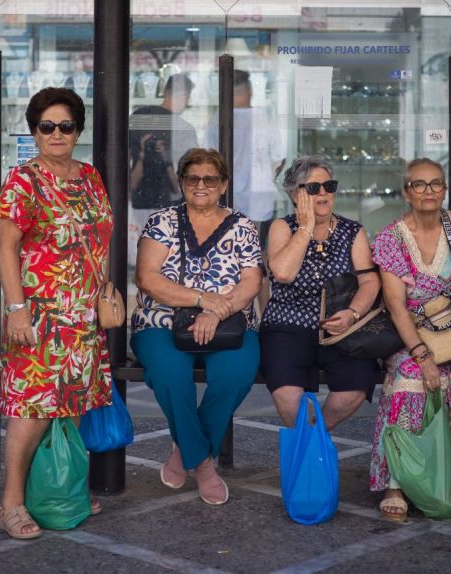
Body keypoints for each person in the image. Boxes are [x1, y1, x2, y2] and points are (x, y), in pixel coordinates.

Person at [0, 87, 113, 539]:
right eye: (47, 126)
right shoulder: (21, 182)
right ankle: (11, 503)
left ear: (78, 130)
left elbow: (99, 239)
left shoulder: (90, 176)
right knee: (32, 409)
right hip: (39, 314)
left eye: (66, 126)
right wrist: (17, 309)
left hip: (82, 314)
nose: (57, 133)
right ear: (34, 131)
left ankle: (59, 489)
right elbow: (5, 248)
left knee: (72, 405)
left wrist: (101, 293)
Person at [368, 158, 451, 524]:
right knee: (407, 384)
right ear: (406, 192)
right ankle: (396, 481)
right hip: (413, 338)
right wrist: (423, 357)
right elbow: (395, 305)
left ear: (444, 189)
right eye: (419, 184)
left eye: (435, 184)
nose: (428, 191)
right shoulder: (391, 239)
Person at [131, 148, 262, 506]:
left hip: (228, 323)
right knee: (171, 373)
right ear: (182, 182)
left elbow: (251, 281)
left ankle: (183, 449)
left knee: (236, 372)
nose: (201, 185)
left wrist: (217, 312)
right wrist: (202, 300)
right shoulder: (162, 222)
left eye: (210, 179)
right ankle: (203, 464)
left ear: (223, 185)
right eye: (193, 178)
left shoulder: (243, 226)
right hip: (161, 320)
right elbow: (146, 278)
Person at [260, 156, 381, 432]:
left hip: (339, 328)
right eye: (313, 188)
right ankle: (313, 452)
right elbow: (283, 273)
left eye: (329, 185)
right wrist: (305, 227)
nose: (324, 193)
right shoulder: (283, 227)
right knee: (287, 396)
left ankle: (313, 438)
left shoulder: (352, 231)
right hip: (287, 325)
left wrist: (352, 314)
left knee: (354, 389)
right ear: (294, 194)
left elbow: (369, 281)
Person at [204, 70, 285, 247]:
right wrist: (267, 176)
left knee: (227, 251)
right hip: (260, 200)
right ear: (250, 91)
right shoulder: (264, 118)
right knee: (257, 253)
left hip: (227, 200)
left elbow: (208, 162)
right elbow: (279, 159)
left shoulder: (216, 121)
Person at [129, 74, 200, 249]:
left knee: (138, 255)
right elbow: (192, 173)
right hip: (171, 201)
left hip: (138, 199)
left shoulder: (140, 117)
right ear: (183, 96)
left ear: (165, 91)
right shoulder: (185, 129)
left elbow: (124, 157)